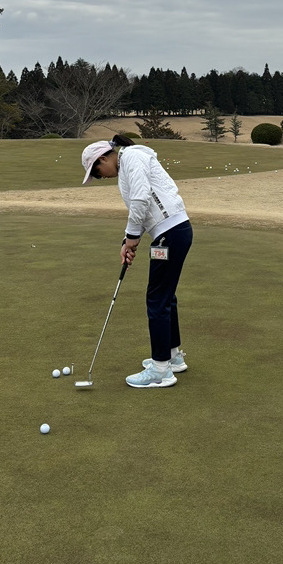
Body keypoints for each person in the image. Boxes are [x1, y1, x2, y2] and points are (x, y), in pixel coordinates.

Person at [81, 135, 192, 389]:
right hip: (168, 234)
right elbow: (141, 211)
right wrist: (128, 240)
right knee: (165, 297)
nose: (100, 177)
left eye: (96, 172)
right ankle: (172, 357)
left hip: (170, 234)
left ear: (103, 158)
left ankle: (161, 370)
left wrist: (132, 237)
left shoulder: (132, 157)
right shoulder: (126, 167)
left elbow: (142, 199)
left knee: (157, 299)